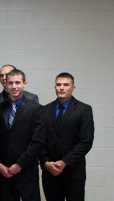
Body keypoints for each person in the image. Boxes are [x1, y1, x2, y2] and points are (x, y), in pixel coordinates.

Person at [39, 72, 94, 201]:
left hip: (73, 172)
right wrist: (46, 162)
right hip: (50, 172)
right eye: (58, 84)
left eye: (66, 84)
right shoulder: (44, 110)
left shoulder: (84, 109)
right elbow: (39, 139)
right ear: (54, 87)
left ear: (73, 88)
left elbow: (86, 141)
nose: (61, 88)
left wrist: (64, 162)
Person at [0, 69, 44, 201]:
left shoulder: (36, 109)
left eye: (17, 83)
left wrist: (19, 164)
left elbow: (37, 141)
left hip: (26, 170)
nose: (14, 86)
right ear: (6, 85)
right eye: (11, 83)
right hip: (4, 172)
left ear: (24, 84)